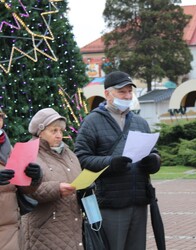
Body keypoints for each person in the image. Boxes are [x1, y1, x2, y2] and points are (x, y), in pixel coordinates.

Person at [74, 71, 161, 250]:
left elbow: (154, 151)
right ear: (107, 94)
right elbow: (81, 158)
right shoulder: (92, 122)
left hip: (138, 200)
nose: (127, 96)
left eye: (130, 92)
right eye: (122, 92)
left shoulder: (140, 122)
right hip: (110, 202)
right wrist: (110, 163)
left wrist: (153, 161)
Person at [21, 108, 84, 250]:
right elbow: (26, 190)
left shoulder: (68, 153)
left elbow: (77, 177)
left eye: (61, 131)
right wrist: (57, 189)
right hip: (44, 228)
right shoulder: (29, 153)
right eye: (53, 131)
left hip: (71, 225)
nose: (59, 135)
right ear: (40, 132)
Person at [0, 108, 42, 250]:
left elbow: (20, 187)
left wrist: (33, 177)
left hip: (13, 230)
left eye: (0, 117)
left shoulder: (7, 147)